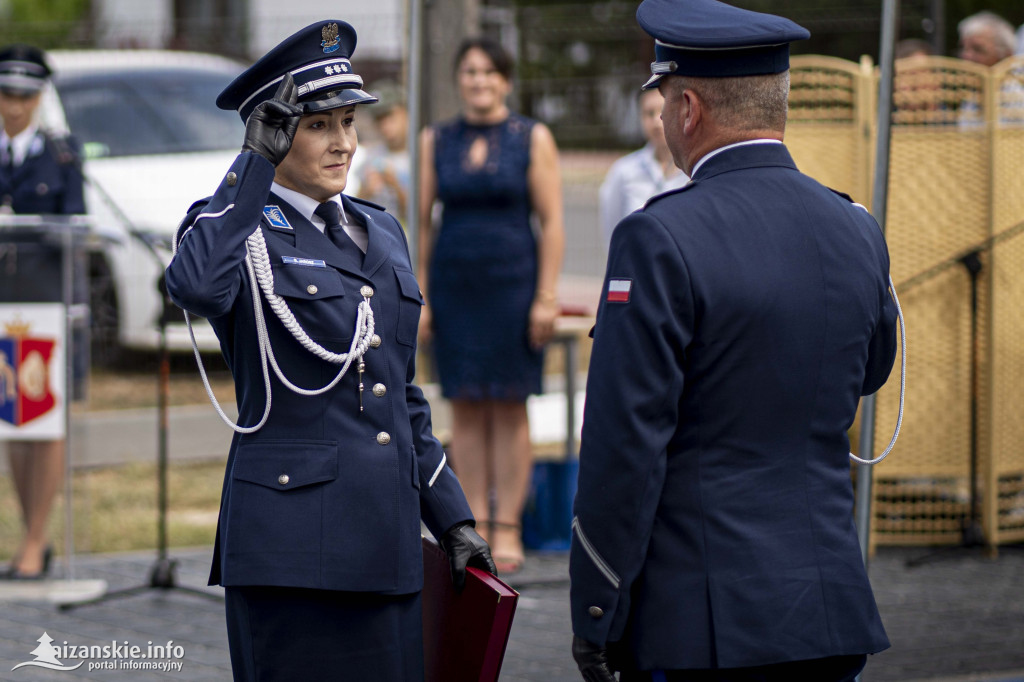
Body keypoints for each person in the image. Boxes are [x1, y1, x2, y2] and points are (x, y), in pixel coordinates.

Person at [568, 1, 899, 680]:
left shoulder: (657, 236)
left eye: (662, 101)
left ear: (688, 108)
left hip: (703, 623)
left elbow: (623, 445)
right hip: (830, 609)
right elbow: (871, 371)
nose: (660, 118)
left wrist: (597, 609)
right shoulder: (855, 225)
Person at [164, 20, 494, 681]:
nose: (344, 143)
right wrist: (252, 165)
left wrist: (451, 515)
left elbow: (397, 393)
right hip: (292, 553)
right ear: (275, 128)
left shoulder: (380, 228)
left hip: (388, 545)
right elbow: (196, 288)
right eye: (319, 125)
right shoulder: (234, 225)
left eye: (349, 122)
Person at [416, 37, 565, 574]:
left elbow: (551, 223)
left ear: (505, 79)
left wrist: (545, 296)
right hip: (456, 290)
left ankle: (509, 528)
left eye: (488, 72)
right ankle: (471, 524)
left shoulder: (532, 137)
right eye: (469, 71)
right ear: (459, 79)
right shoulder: (435, 139)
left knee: (510, 406)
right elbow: (424, 223)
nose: (478, 81)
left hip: (513, 289)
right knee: (466, 407)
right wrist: (422, 296)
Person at [0, 44, 85, 581]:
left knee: (43, 420)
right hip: (1, 310)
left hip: (43, 308)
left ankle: (37, 540)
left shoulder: (61, 154)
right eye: (7, 94)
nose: (14, 107)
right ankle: (29, 536)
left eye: (25, 96)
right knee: (13, 421)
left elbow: (76, 229)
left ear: (40, 99)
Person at [598, 88, 688, 246]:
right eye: (649, 113)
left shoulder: (694, 171)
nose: (656, 121)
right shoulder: (624, 171)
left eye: (661, 111)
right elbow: (613, 233)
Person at [354, 80, 411, 226]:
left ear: (404, 112)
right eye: (379, 119)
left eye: (390, 116)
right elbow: (354, 210)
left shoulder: (421, 153)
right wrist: (367, 191)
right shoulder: (372, 156)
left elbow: (421, 215)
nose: (385, 125)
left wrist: (395, 185)